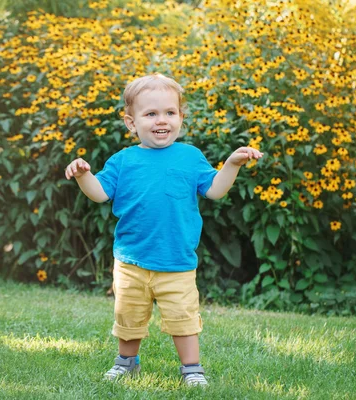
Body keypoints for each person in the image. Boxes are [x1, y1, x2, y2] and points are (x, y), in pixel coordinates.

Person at [64, 73, 264, 386]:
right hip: (132, 261)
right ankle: (126, 362)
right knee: (129, 317)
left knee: (183, 318)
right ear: (131, 123)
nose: (162, 120)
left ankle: (192, 369)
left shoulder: (190, 156)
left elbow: (214, 190)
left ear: (181, 118)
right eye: (151, 113)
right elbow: (100, 193)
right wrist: (82, 175)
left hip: (176, 261)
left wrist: (232, 164)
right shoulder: (123, 161)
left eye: (170, 113)